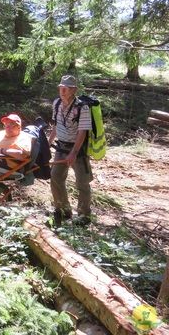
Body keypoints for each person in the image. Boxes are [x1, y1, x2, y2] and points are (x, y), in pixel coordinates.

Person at [48, 75, 93, 227]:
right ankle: (62, 210)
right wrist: (49, 141)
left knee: (82, 182)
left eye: (66, 88)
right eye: (61, 88)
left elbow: (82, 132)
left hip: (78, 150)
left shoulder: (82, 107)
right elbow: (55, 124)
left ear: (74, 90)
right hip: (61, 146)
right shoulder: (56, 103)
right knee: (55, 177)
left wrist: (74, 152)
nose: (63, 91)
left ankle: (83, 216)